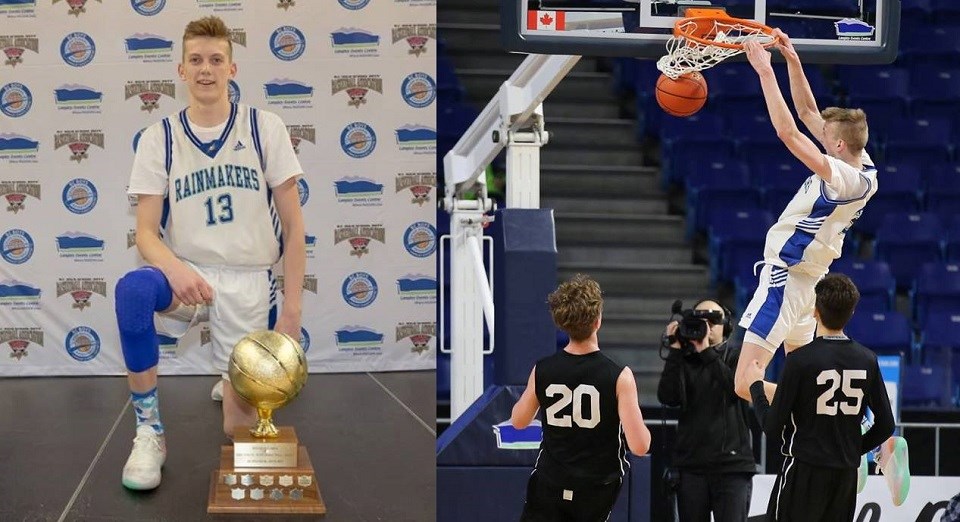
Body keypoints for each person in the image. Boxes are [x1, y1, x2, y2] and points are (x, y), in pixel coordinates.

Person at [115, 15, 305, 491]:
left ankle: (231, 378)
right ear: (181, 71)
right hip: (188, 274)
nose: (206, 69)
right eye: (196, 60)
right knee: (133, 292)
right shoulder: (159, 137)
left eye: (215, 60)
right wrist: (175, 270)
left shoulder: (266, 128)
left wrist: (294, 309)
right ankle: (149, 432)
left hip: (247, 278)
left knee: (240, 433)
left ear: (232, 69)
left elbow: (296, 227)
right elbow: (144, 232)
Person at [732, 32, 909, 505]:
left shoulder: (845, 178)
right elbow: (810, 115)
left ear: (836, 144)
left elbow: (790, 132)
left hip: (786, 277)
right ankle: (878, 441)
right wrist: (792, 60)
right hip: (808, 287)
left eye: (825, 138)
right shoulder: (862, 162)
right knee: (803, 370)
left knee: (743, 377)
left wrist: (763, 70)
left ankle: (830, 429)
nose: (820, 135)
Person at [745, 274, 898, 521]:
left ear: (815, 311)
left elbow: (772, 426)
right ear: (852, 312)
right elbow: (886, 425)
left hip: (804, 470)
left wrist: (755, 386)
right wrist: (853, 449)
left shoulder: (800, 360)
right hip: (845, 475)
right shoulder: (867, 359)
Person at [511, 274, 652, 521]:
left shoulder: (543, 369)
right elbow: (640, 446)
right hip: (596, 487)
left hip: (550, 481)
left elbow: (518, 421)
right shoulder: (619, 376)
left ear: (562, 323)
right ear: (598, 321)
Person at [658, 300, 755, 522]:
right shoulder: (683, 360)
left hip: (732, 468)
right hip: (692, 467)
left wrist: (706, 351)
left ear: (726, 326)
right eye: (702, 320)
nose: (708, 326)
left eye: (714, 320)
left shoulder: (736, 357)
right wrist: (675, 351)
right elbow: (667, 397)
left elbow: (735, 390)